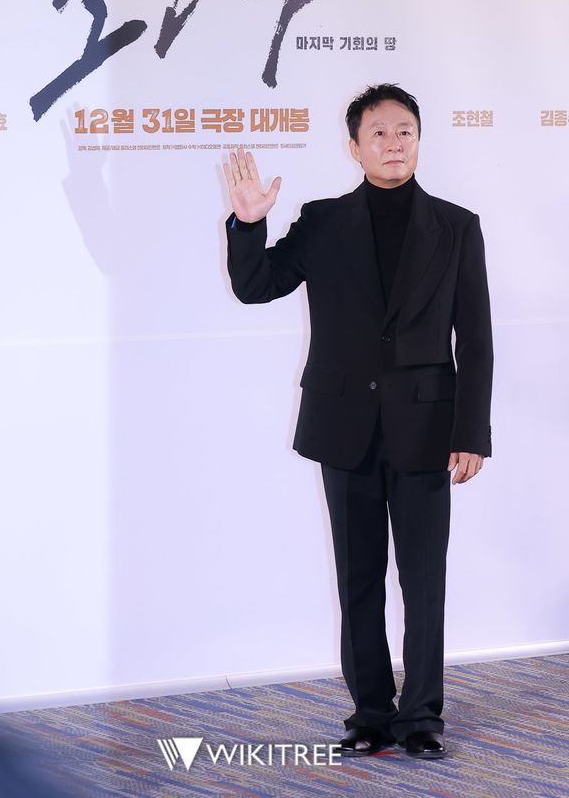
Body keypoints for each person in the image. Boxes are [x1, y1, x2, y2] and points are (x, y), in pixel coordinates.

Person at [222, 83, 493, 760]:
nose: (393, 144)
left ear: (419, 140)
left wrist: (471, 432)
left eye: (405, 132)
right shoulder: (321, 221)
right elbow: (256, 286)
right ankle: (370, 712)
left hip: (427, 431)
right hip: (344, 428)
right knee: (358, 579)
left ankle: (421, 716)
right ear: (354, 146)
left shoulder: (457, 226)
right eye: (379, 133)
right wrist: (248, 225)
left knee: (423, 583)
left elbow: (476, 338)